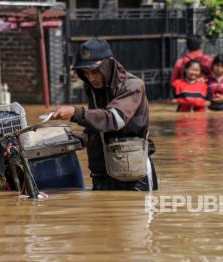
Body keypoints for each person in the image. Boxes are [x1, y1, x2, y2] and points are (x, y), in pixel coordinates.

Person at [51, 39, 158, 191]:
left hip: (133, 172)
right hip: (101, 172)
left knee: (136, 212)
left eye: (95, 71)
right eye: (85, 73)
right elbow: (97, 123)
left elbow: (114, 119)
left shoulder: (133, 86)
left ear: (108, 65)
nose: (91, 78)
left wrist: (76, 112)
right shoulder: (93, 87)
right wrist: (83, 138)